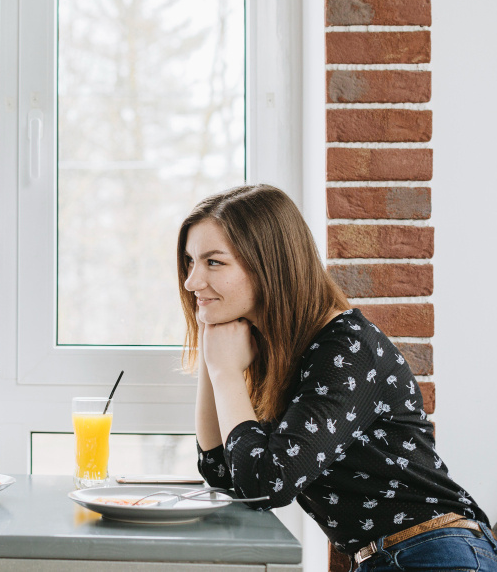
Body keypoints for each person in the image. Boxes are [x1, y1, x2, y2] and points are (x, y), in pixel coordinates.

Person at [181, 183, 496, 572]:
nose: (192, 282)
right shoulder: (282, 352)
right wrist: (213, 357)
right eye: (190, 262)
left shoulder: (346, 349)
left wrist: (225, 371)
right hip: (393, 558)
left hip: (435, 553)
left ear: (271, 263)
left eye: (214, 262)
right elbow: (224, 474)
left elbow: (267, 484)